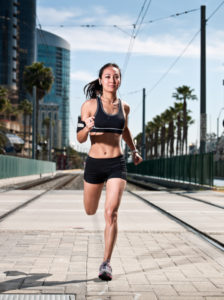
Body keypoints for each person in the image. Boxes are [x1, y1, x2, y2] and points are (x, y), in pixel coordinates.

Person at [77, 62, 142, 281]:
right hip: (94, 164)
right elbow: (79, 137)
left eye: (116, 77)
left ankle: (106, 263)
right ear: (100, 80)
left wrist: (134, 150)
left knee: (111, 212)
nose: (112, 80)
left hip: (116, 163)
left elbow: (125, 130)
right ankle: (105, 260)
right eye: (107, 77)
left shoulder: (125, 107)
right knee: (90, 210)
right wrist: (86, 127)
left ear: (120, 80)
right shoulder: (88, 106)